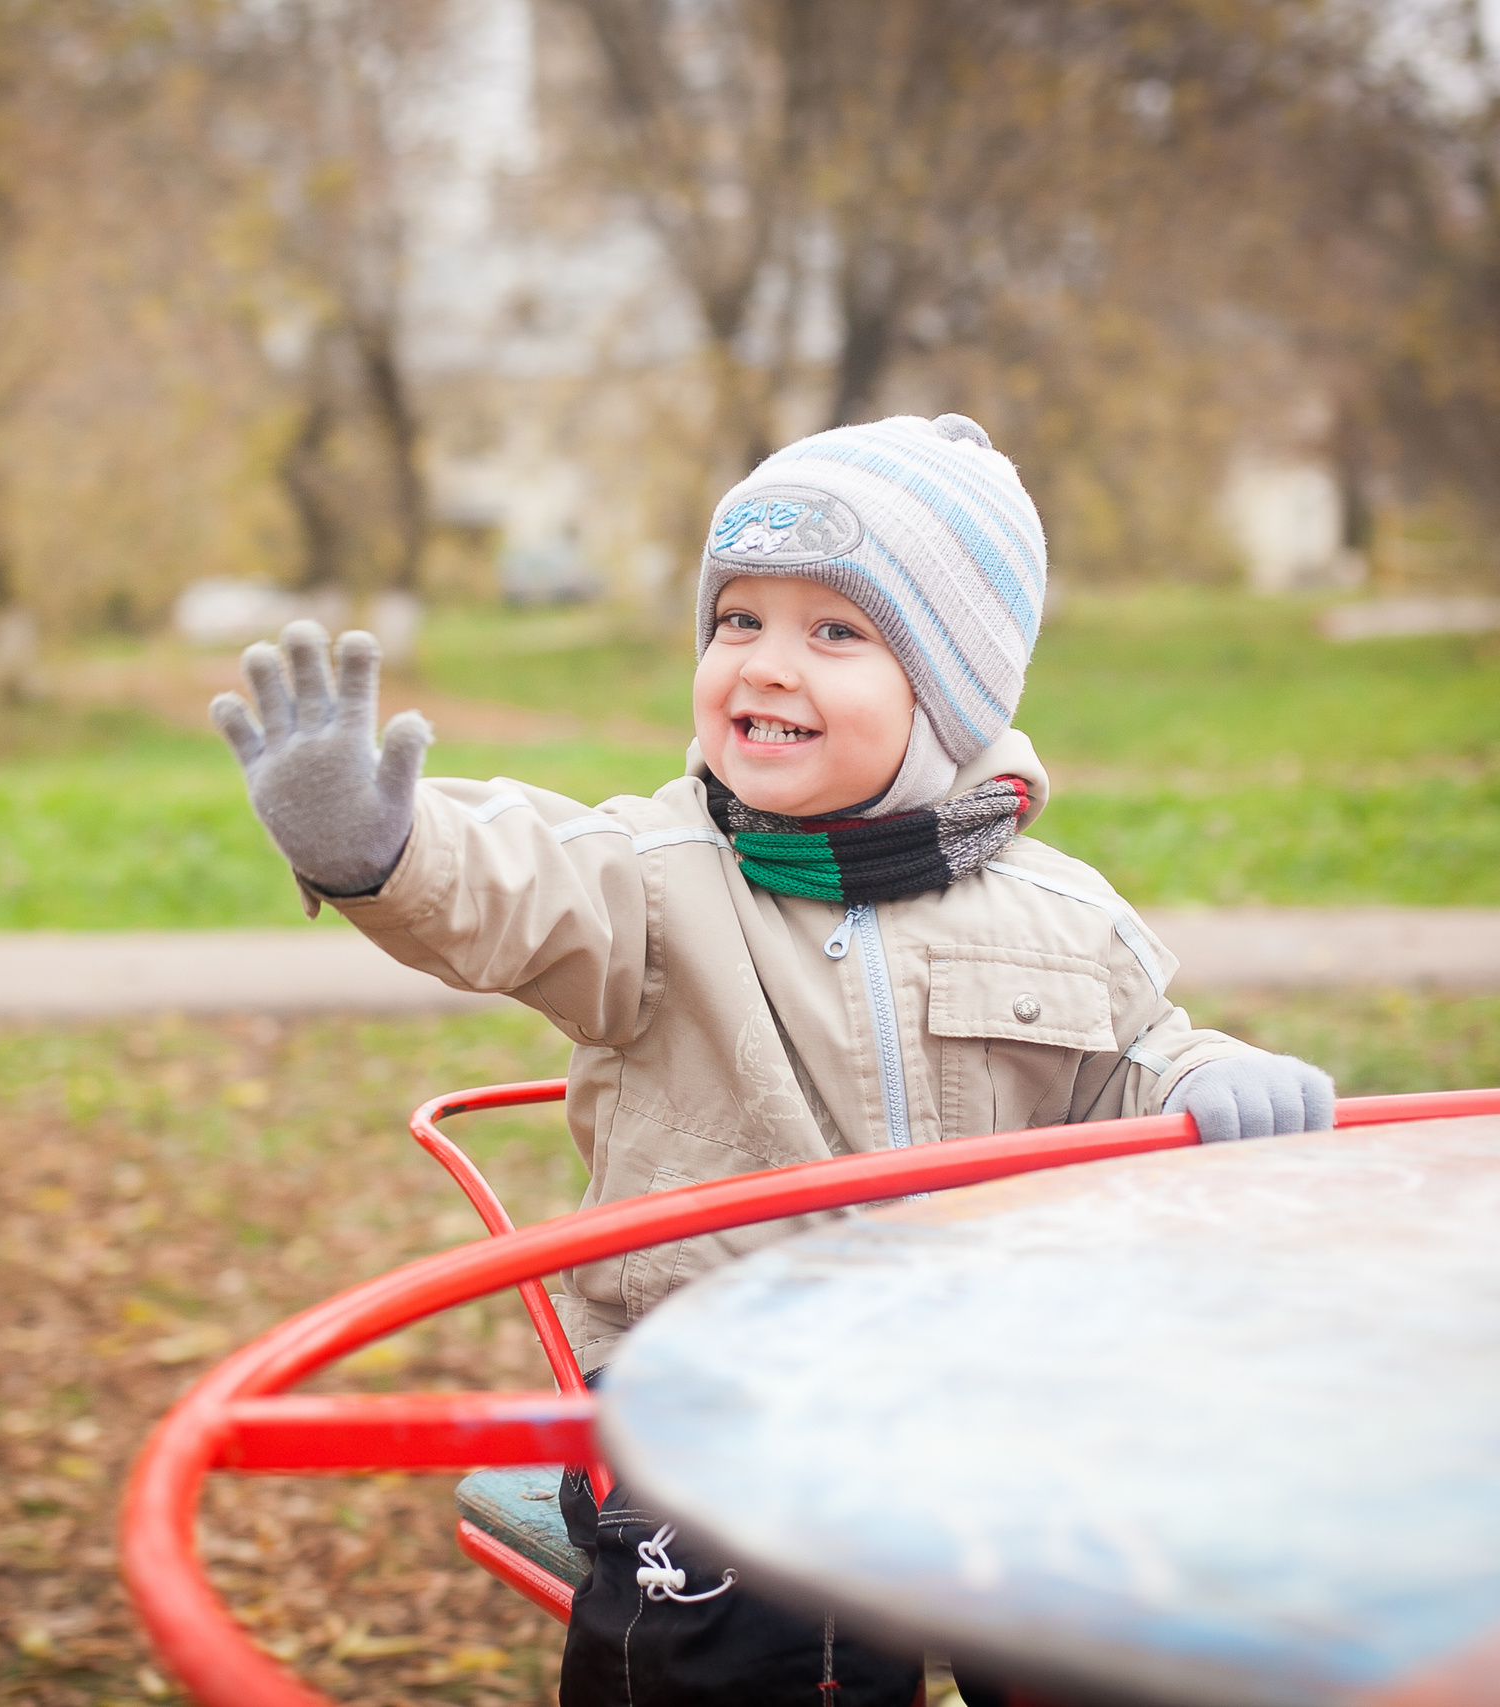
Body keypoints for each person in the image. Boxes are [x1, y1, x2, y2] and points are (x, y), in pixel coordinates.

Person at [210, 413, 1335, 1705]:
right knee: (776, 1616)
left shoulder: (1062, 917)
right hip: (719, 1395)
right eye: (738, 620)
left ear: (952, 692)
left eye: (834, 632)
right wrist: (380, 847)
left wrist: (1202, 1077)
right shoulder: (655, 877)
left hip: (985, 1391)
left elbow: (1135, 1059)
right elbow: (514, 881)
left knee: (1131, 1595)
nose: (765, 665)